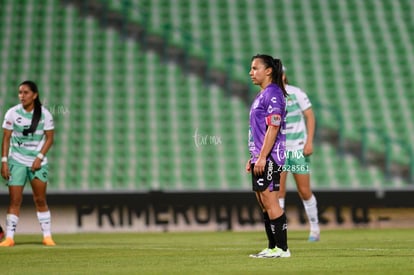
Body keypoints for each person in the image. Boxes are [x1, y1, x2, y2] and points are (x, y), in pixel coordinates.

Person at [0, 80, 55, 247]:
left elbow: (50, 138)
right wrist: (4, 161)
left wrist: (39, 157)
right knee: (15, 201)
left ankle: (47, 236)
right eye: (20, 93)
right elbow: (6, 139)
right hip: (16, 161)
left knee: (40, 199)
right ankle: (9, 238)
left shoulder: (45, 114)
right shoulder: (12, 113)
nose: (21, 96)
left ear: (35, 95)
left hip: (37, 162)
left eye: (25, 93)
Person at [246, 54, 290, 258]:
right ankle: (272, 247)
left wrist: (263, 157)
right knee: (264, 203)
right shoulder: (262, 95)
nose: (251, 72)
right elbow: (260, 130)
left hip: (271, 157)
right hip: (261, 156)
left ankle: (282, 249)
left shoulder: (273, 94)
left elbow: (274, 126)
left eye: (255, 68)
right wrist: (255, 156)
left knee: (271, 202)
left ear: (268, 71)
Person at [278, 68, 320, 241]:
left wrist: (309, 141)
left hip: (297, 149)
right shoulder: (269, 97)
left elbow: (310, 116)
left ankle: (315, 228)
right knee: (278, 192)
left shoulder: (296, 93)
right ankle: (280, 231)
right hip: (279, 150)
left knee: (304, 190)